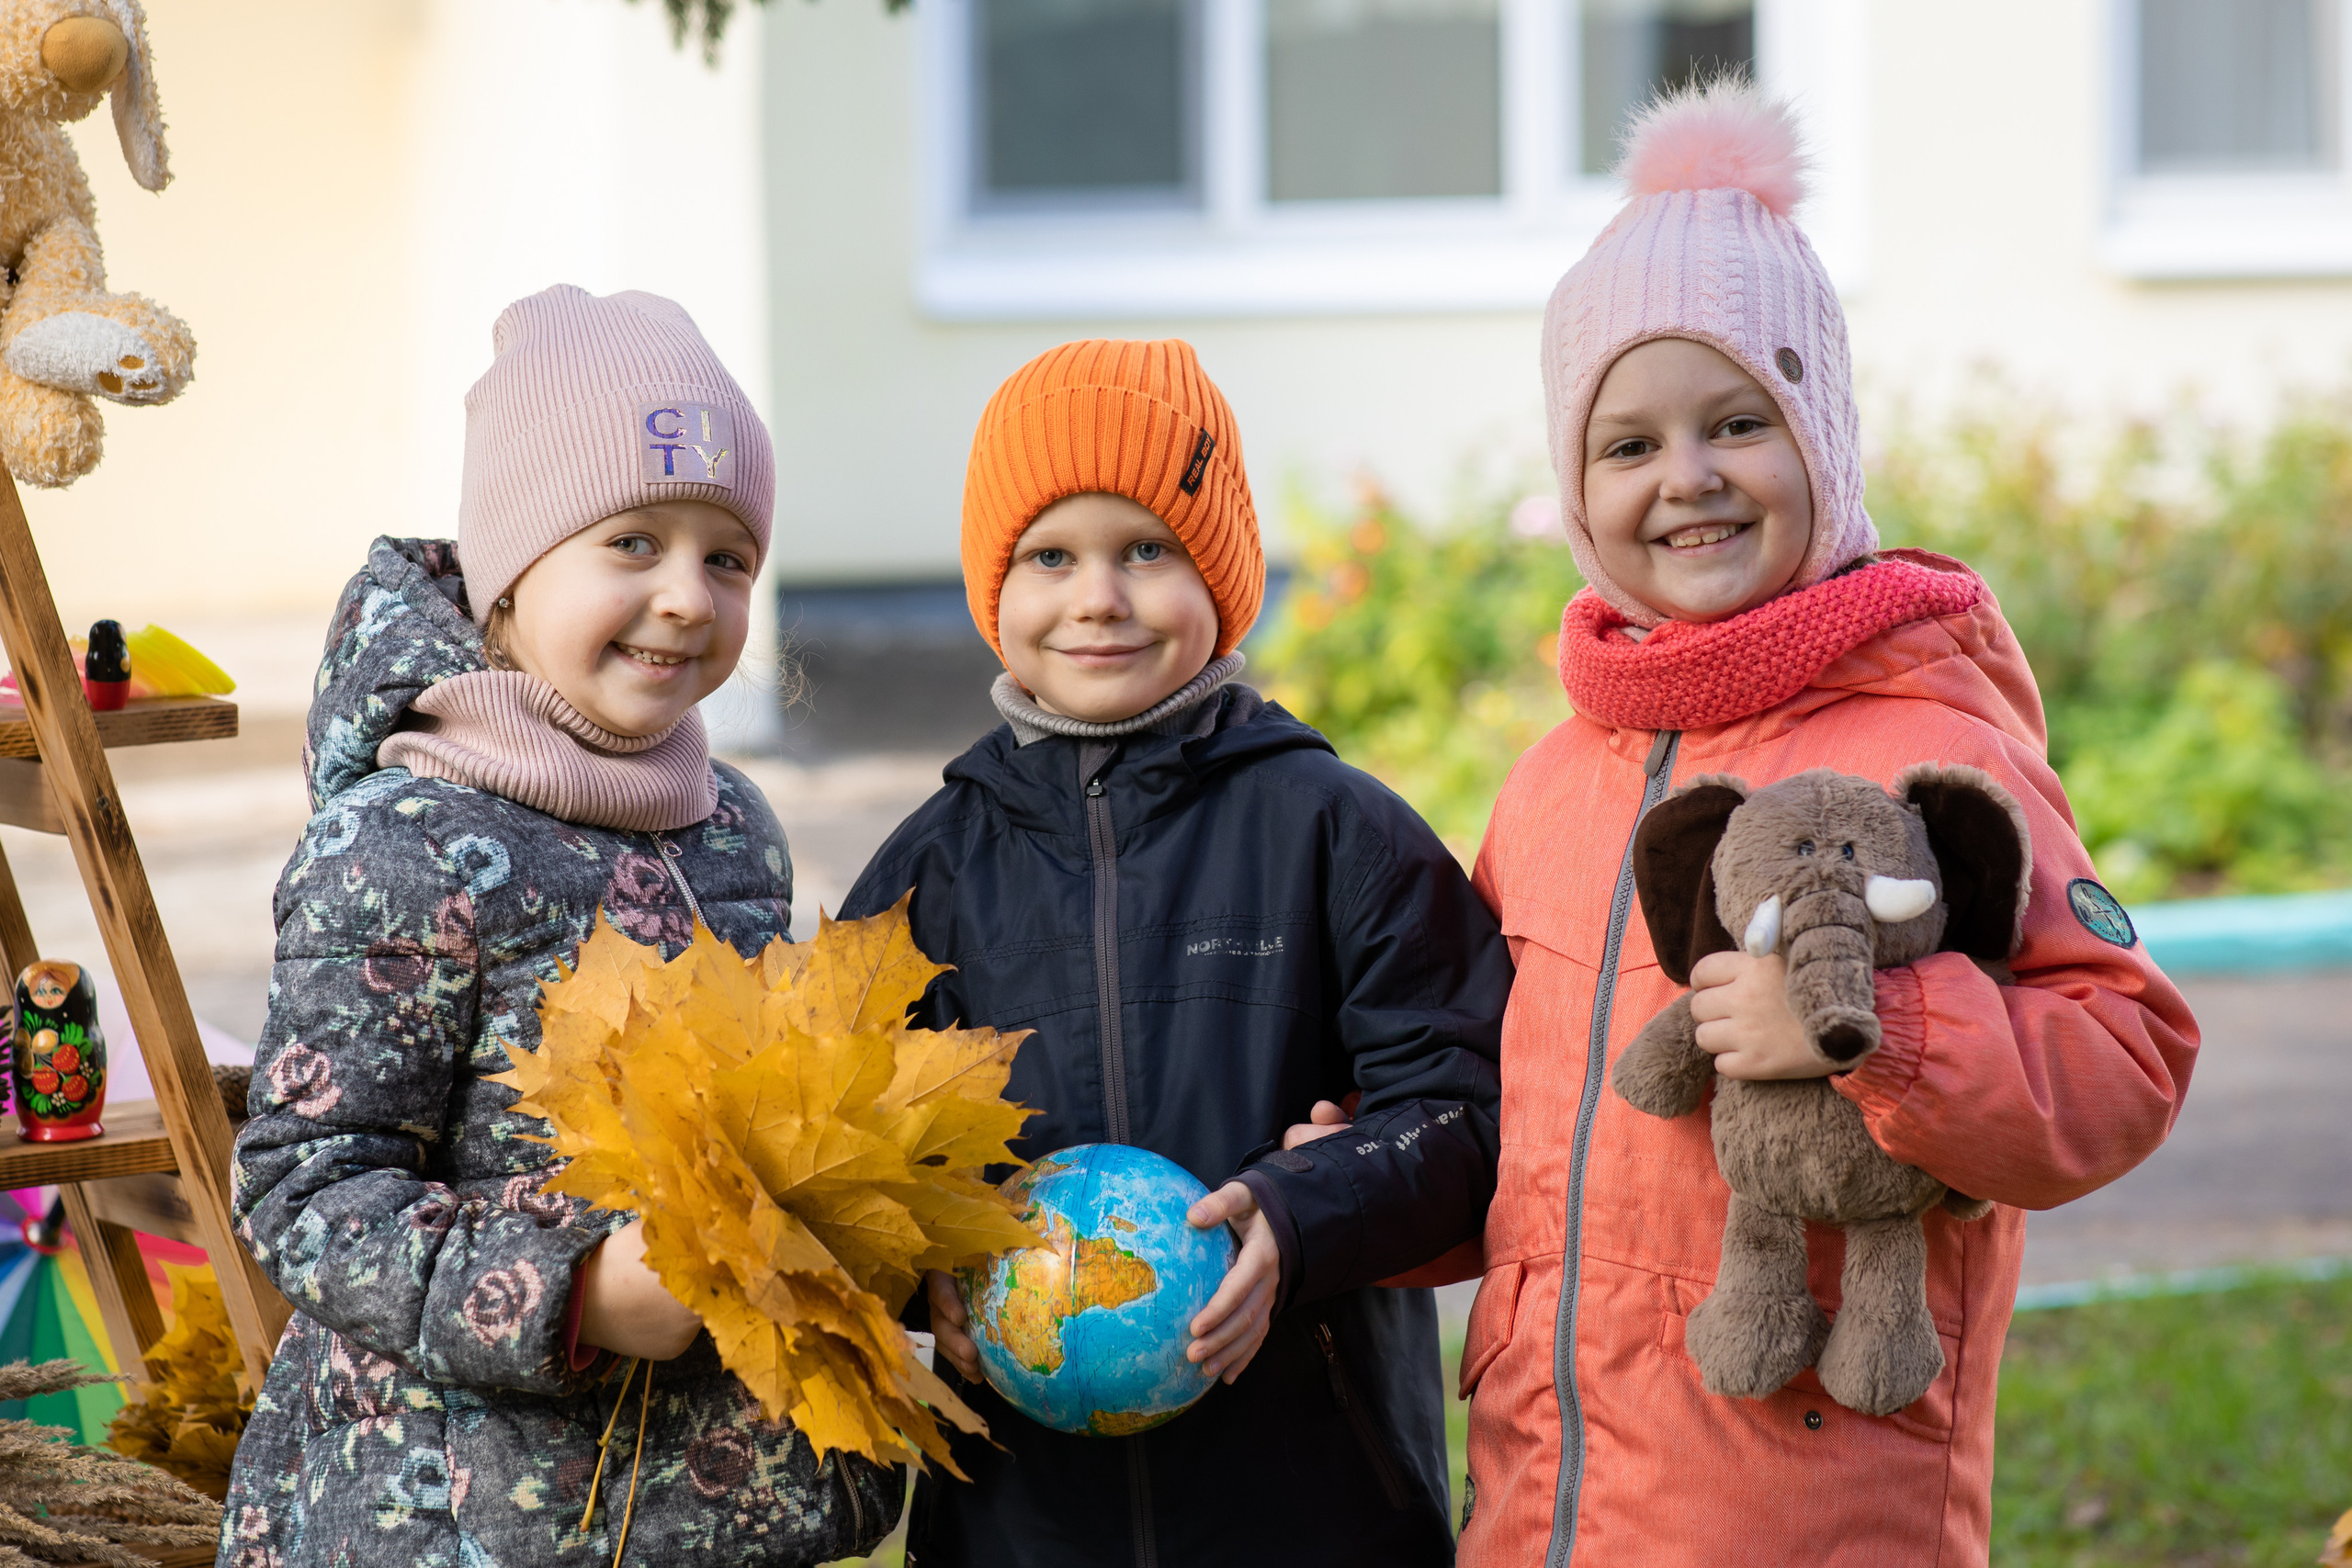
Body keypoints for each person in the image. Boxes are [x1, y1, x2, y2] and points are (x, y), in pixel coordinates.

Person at [1457, 82, 2199, 1565]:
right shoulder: (1555, 782)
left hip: (1815, 1501)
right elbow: (1501, 1127)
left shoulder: (1937, 744)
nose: (1689, 478)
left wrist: (1882, 1032)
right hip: (1551, 1502)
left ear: (1824, 438)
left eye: (1740, 421)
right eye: (1629, 444)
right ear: (1576, 488)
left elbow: (2126, 1054)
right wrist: (1352, 1151)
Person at [220, 286, 903, 1565]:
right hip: (456, 1517)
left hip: (700, 1512)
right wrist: (571, 1290)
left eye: (728, 556)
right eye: (632, 542)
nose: (690, 597)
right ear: (511, 566)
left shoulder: (732, 826)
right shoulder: (405, 845)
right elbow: (308, 1188)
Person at [836, 338, 1512, 1566]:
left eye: (1146, 549)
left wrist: (1306, 1214)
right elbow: (845, 1156)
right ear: (997, 589)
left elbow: (1465, 1105)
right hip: (1022, 1526)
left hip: (1313, 1509)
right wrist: (918, 1274)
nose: (1098, 596)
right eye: (1051, 556)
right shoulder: (925, 878)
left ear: (1222, 574)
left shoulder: (1333, 828)